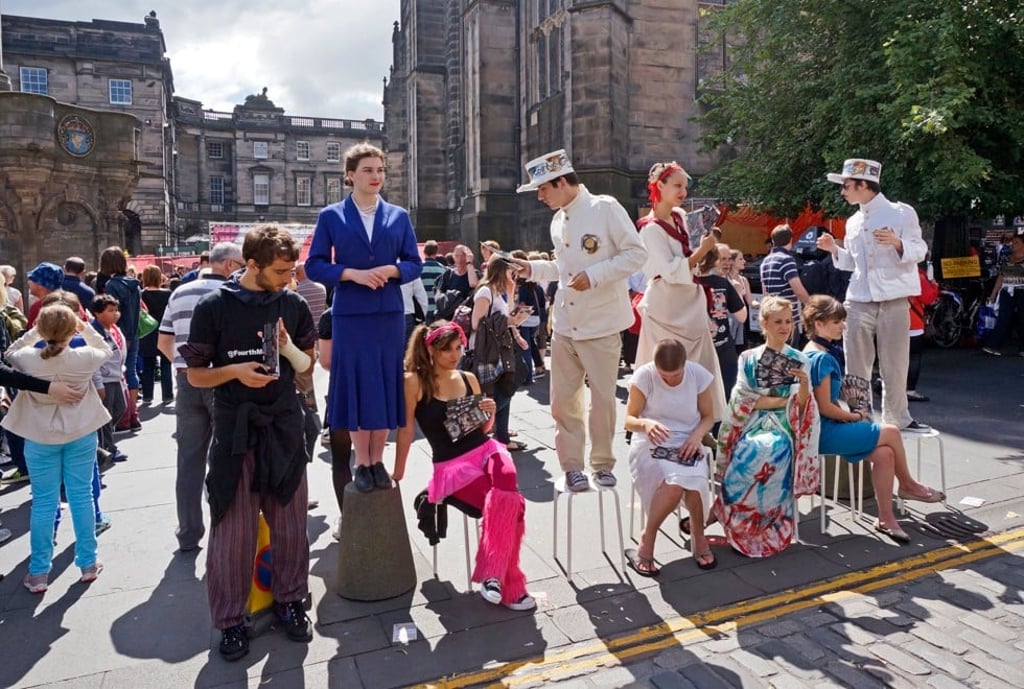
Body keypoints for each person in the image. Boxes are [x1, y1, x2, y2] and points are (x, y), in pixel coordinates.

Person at [181, 226, 316, 660]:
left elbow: (308, 368)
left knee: (291, 525)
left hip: (282, 425)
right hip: (235, 429)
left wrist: (290, 348)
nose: (288, 277)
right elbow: (195, 374)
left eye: (292, 268)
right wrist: (235, 373)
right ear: (251, 265)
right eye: (280, 270)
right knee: (232, 531)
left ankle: (291, 601)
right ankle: (230, 620)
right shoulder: (213, 306)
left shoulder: (292, 304)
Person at [511, 149, 647, 491]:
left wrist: (597, 274)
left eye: (543, 188)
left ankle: (602, 464)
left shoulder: (605, 207)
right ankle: (572, 465)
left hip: (600, 324)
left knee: (602, 400)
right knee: (563, 401)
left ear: (560, 182)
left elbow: (636, 254)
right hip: (566, 323)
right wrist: (535, 269)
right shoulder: (558, 219)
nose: (540, 196)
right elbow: (565, 269)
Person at [306, 142, 423, 494]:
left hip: (387, 313)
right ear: (350, 175)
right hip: (351, 313)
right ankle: (363, 462)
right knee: (356, 385)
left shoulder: (399, 216)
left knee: (383, 386)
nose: (376, 176)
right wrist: (351, 274)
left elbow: (413, 263)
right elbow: (314, 264)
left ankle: (378, 461)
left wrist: (392, 269)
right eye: (369, 170)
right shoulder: (331, 216)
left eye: (380, 169)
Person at [394, 321, 535, 611]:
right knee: (514, 507)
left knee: (507, 480)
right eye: (448, 350)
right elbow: (406, 429)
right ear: (430, 349)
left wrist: (491, 414)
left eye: (458, 348)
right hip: (452, 465)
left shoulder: (469, 378)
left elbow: (483, 431)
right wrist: (398, 471)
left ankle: (492, 575)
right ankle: (508, 582)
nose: (455, 355)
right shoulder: (415, 382)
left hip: (485, 450)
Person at [802, 295, 945, 542]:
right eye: (837, 322)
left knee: (885, 454)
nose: (843, 326)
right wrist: (853, 416)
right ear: (818, 323)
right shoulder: (822, 358)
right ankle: (909, 485)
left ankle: (886, 518)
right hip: (823, 431)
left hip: (820, 429)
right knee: (891, 431)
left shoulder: (811, 351)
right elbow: (825, 407)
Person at [3, 304, 112, 592]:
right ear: (71, 329)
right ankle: (88, 563)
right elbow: (107, 349)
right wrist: (84, 327)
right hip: (80, 431)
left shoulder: (29, 359)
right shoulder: (84, 357)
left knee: (43, 502)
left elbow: (9, 353)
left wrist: (35, 332)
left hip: (39, 435)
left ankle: (39, 572)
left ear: (42, 328)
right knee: (81, 496)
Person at [819, 158, 930, 432]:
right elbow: (854, 264)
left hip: (893, 299)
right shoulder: (853, 221)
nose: (843, 191)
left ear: (863, 185)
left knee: (895, 362)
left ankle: (898, 418)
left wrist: (898, 243)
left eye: (846, 185)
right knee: (856, 364)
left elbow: (920, 250)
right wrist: (835, 250)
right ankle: (860, 418)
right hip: (858, 300)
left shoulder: (902, 213)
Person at [714, 296, 819, 558]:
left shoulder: (799, 359)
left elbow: (803, 405)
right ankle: (736, 519)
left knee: (774, 449)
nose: (784, 327)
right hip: (751, 423)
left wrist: (804, 385)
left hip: (784, 424)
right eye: (778, 322)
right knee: (748, 451)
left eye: (788, 322)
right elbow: (741, 398)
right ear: (764, 323)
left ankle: (769, 524)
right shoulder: (747, 358)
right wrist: (784, 398)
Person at [157, 242, 244, 553]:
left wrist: (181, 367)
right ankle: (226, 527)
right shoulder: (232, 295)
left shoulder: (179, 292)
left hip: (187, 381)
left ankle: (188, 532)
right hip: (221, 381)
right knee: (225, 459)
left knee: (188, 460)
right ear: (230, 265)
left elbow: (164, 341)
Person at [634, 161, 725, 421]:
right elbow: (670, 271)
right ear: (659, 186)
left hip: (690, 301)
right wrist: (702, 250)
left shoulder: (681, 217)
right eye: (677, 185)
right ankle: (661, 420)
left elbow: (692, 261)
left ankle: (703, 419)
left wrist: (708, 251)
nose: (683, 191)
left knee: (700, 365)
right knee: (666, 364)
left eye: (685, 186)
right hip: (667, 305)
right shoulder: (650, 229)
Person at [624, 339, 717, 575]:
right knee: (674, 484)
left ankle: (698, 535)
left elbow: (708, 416)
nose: (669, 380)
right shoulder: (644, 376)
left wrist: (696, 436)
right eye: (663, 376)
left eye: (675, 375)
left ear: (685, 366)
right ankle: (648, 538)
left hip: (687, 439)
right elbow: (629, 420)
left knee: (694, 481)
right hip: (650, 442)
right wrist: (646, 422)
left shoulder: (697, 374)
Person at [469, 257, 530, 451]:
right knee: (501, 389)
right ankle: (481, 427)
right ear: (501, 270)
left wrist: (511, 294)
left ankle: (501, 436)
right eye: (510, 270)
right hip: (486, 350)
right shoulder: (486, 291)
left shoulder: (500, 292)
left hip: (500, 348)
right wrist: (511, 322)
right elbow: (476, 324)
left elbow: (508, 316)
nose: (514, 274)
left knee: (508, 385)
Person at [695, 243, 747, 403]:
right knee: (725, 395)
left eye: (729, 259)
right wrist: (738, 293)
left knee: (699, 394)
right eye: (722, 259)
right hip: (722, 347)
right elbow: (742, 316)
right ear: (713, 260)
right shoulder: (723, 284)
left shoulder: (689, 282)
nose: (727, 263)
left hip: (697, 347)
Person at [98, 246, 143, 429]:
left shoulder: (111, 285)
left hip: (120, 334)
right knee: (131, 372)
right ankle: (133, 414)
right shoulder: (134, 283)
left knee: (119, 375)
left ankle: (124, 417)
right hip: (135, 332)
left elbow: (112, 313)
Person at [88, 294, 129, 465]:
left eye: (116, 310)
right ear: (97, 313)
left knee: (120, 408)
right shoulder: (94, 331)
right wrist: (98, 383)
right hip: (104, 379)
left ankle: (107, 442)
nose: (115, 314)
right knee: (106, 415)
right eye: (110, 310)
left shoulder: (112, 329)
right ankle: (108, 448)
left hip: (116, 376)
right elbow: (93, 360)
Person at [760, 225, 811, 346]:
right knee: (790, 356)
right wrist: (812, 305)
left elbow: (765, 293)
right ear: (791, 240)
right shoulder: (787, 260)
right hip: (787, 318)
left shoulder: (765, 261)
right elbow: (798, 290)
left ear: (773, 241)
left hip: (772, 316)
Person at [982, 231, 1024, 356]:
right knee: (1003, 318)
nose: (1013, 245)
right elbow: (1001, 276)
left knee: (1023, 319)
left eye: (1016, 243)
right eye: (1012, 242)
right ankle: (992, 345)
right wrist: (993, 294)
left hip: (1022, 290)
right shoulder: (1007, 258)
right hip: (1007, 290)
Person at [139, 265, 173, 404]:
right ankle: (168, 395)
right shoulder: (168, 294)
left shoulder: (141, 294)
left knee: (148, 364)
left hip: (147, 332)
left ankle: (147, 395)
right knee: (166, 364)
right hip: (165, 331)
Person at [907, 264, 939, 401]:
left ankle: (884, 382)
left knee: (892, 357)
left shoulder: (887, 270)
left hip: (889, 320)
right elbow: (928, 298)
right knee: (914, 357)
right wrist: (934, 285)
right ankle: (910, 390)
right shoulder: (917, 274)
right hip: (913, 322)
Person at [728, 250, 754, 351]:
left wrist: (765, 304)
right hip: (728, 320)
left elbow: (750, 301)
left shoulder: (744, 280)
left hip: (740, 321)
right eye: (740, 259)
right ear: (732, 262)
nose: (744, 261)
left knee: (741, 349)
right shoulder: (725, 279)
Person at [420, 240, 448, 319]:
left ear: (424, 251)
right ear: (436, 253)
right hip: (439, 309)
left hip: (423, 309)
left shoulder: (418, 269)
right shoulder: (443, 269)